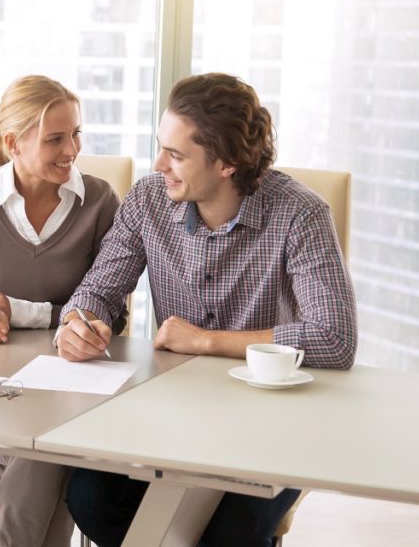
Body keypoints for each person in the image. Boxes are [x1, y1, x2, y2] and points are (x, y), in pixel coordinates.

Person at [56, 72, 358, 547]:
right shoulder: (148, 200)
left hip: (273, 425)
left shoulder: (301, 214)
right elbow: (98, 290)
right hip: (169, 416)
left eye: (176, 155)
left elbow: (334, 339)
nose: (159, 165)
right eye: (161, 148)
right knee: (91, 496)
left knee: (231, 531)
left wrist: (207, 342)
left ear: (228, 163)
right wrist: (78, 321)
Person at [0, 75, 123, 547]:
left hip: (72, 385)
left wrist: (20, 311)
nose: (71, 149)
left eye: (76, 134)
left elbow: (114, 316)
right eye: (55, 138)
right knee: (47, 454)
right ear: (13, 142)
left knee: (42, 447)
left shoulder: (99, 201)